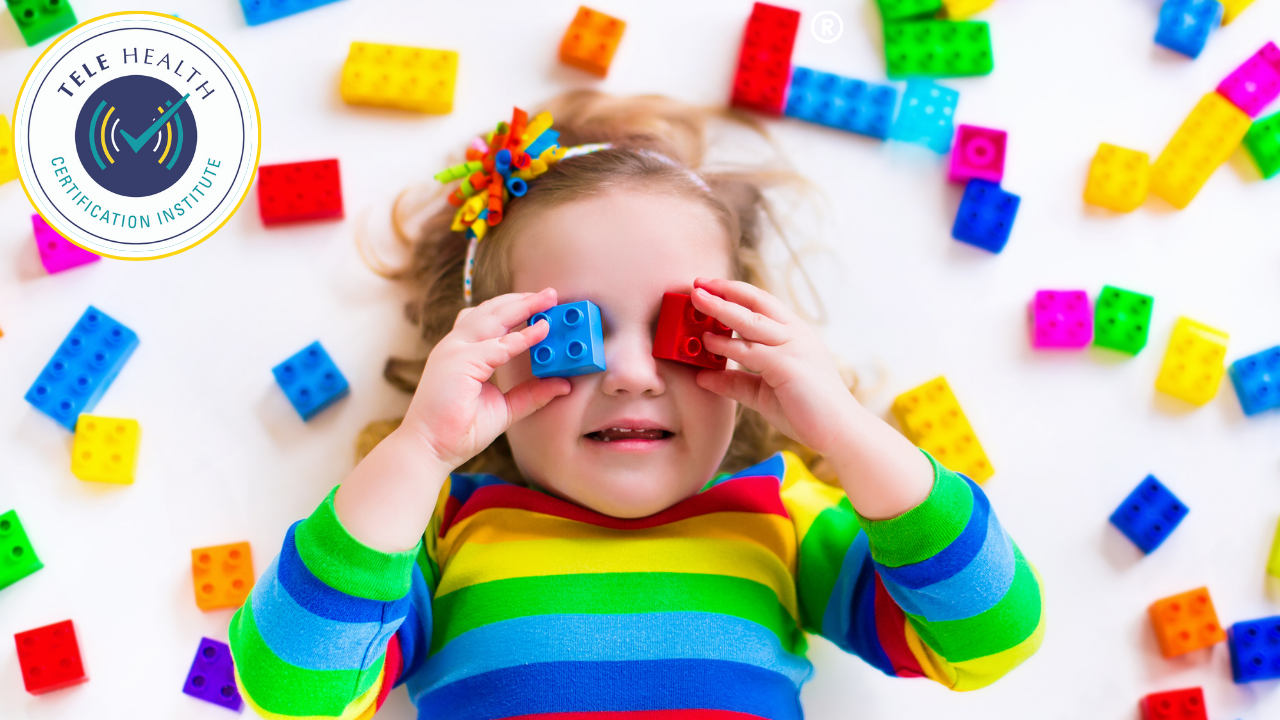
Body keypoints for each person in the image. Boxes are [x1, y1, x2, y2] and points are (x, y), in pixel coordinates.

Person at [228, 90, 1044, 720]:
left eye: (682, 329)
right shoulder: (442, 529)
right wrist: (417, 453)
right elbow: (289, 685)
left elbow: (991, 636)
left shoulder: (781, 516)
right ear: (485, 360)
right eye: (567, 331)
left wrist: (843, 429)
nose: (629, 373)